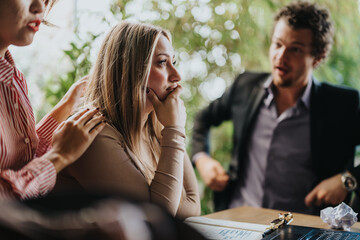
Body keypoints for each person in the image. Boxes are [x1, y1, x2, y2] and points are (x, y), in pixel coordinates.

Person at [192, 1, 360, 215]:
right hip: (237, 223)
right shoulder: (244, 86)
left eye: (296, 49)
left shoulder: (342, 105)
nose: (281, 57)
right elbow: (203, 118)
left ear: (317, 57)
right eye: (278, 44)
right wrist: (202, 159)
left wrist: (348, 179)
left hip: (304, 230)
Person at [55, 21, 201, 220]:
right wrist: (175, 130)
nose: (177, 76)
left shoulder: (156, 129)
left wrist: (171, 130)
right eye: (161, 62)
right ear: (130, 71)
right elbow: (155, 221)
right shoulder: (93, 134)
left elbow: (192, 204)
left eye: (173, 63)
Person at [0, 0, 105, 200]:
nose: (40, 8)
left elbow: (21, 161)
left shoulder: (15, 78)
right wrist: (59, 156)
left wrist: (66, 107)